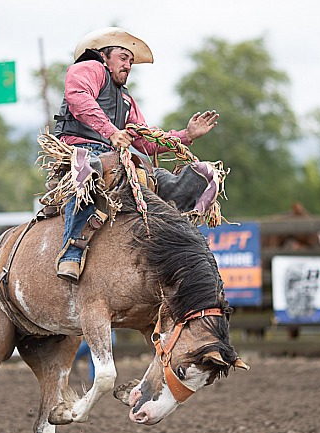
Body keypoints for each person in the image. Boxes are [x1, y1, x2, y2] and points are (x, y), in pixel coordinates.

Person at [53, 27, 220, 283]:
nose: (128, 65)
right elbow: (78, 97)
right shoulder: (89, 68)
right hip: (82, 151)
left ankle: (181, 243)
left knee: (167, 181)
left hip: (116, 159)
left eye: (131, 60)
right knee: (90, 171)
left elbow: (146, 142)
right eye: (123, 57)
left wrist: (187, 135)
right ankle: (72, 253)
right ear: (104, 56)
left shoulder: (126, 98)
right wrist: (111, 132)